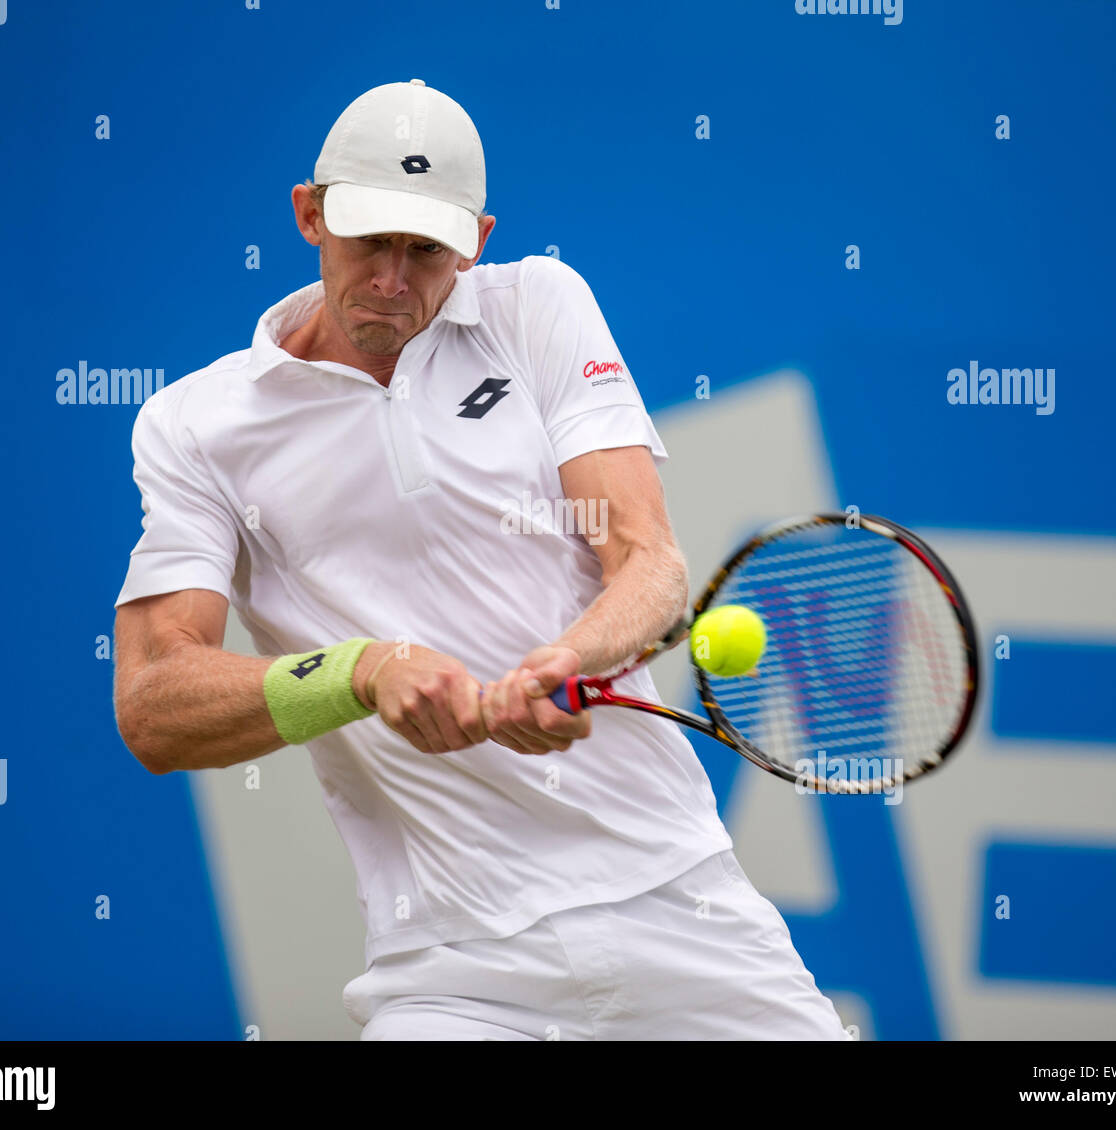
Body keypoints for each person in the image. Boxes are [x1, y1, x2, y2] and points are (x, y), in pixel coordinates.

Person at [112, 78, 848, 1041]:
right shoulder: (195, 427)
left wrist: (564, 661)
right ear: (309, 213)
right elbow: (155, 704)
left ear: (478, 239)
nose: (391, 276)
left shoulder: (539, 307)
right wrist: (359, 673)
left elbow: (649, 560)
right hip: (450, 973)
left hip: (681, 906)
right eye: (370, 238)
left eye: (426, 249)